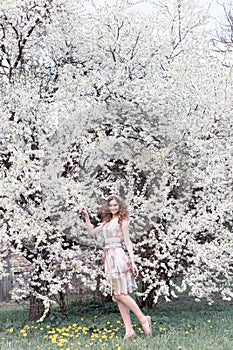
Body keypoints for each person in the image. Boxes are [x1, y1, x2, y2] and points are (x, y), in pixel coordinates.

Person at [82, 194, 152, 339]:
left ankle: (143, 319)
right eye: (111, 205)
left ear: (120, 206)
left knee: (121, 294)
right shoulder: (106, 222)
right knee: (117, 296)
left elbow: (127, 242)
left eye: (115, 205)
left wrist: (133, 262)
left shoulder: (122, 221)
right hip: (108, 257)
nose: (113, 207)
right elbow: (91, 232)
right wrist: (87, 217)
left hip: (118, 256)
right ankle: (129, 330)